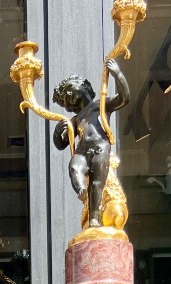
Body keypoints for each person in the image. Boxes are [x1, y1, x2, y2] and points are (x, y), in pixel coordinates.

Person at [52, 61, 129, 228]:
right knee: (74, 166)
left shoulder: (101, 104)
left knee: (97, 182)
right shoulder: (75, 119)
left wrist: (117, 74)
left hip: (101, 146)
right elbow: (60, 143)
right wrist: (58, 131)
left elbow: (124, 98)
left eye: (70, 89)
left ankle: (94, 217)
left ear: (84, 86)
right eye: (66, 97)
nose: (69, 94)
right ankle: (81, 191)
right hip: (82, 151)